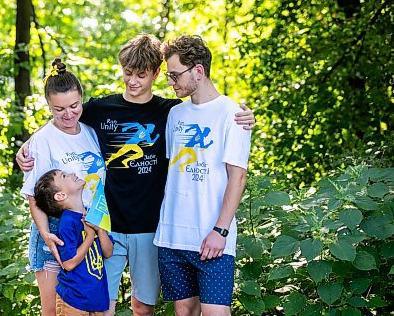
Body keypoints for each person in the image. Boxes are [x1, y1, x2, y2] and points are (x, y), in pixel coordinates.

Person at [16, 33, 256, 316]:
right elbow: (64, 118)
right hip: (105, 225)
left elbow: (207, 114)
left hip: (150, 226)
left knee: (143, 307)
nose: (132, 81)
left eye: (141, 75)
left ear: (156, 73)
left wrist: (246, 117)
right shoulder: (101, 108)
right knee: (101, 305)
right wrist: (28, 144)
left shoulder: (172, 112)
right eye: (127, 73)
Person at [153, 35, 251, 316]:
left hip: (212, 237)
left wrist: (220, 231)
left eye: (174, 76)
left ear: (198, 70)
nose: (171, 83)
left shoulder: (233, 114)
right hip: (173, 235)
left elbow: (238, 178)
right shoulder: (175, 114)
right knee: (184, 311)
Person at [19, 59, 105, 316]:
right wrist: (46, 234)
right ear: (48, 106)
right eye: (58, 109)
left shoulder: (90, 133)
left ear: (82, 99)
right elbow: (34, 196)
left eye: (74, 106)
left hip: (87, 228)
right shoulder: (43, 140)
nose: (68, 114)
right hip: (55, 232)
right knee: (54, 311)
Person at [34, 169, 113, 316]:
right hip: (74, 301)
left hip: (97, 300)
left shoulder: (92, 215)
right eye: (64, 176)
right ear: (61, 195)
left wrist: (100, 231)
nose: (72, 173)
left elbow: (108, 252)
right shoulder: (67, 222)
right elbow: (68, 264)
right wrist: (90, 237)